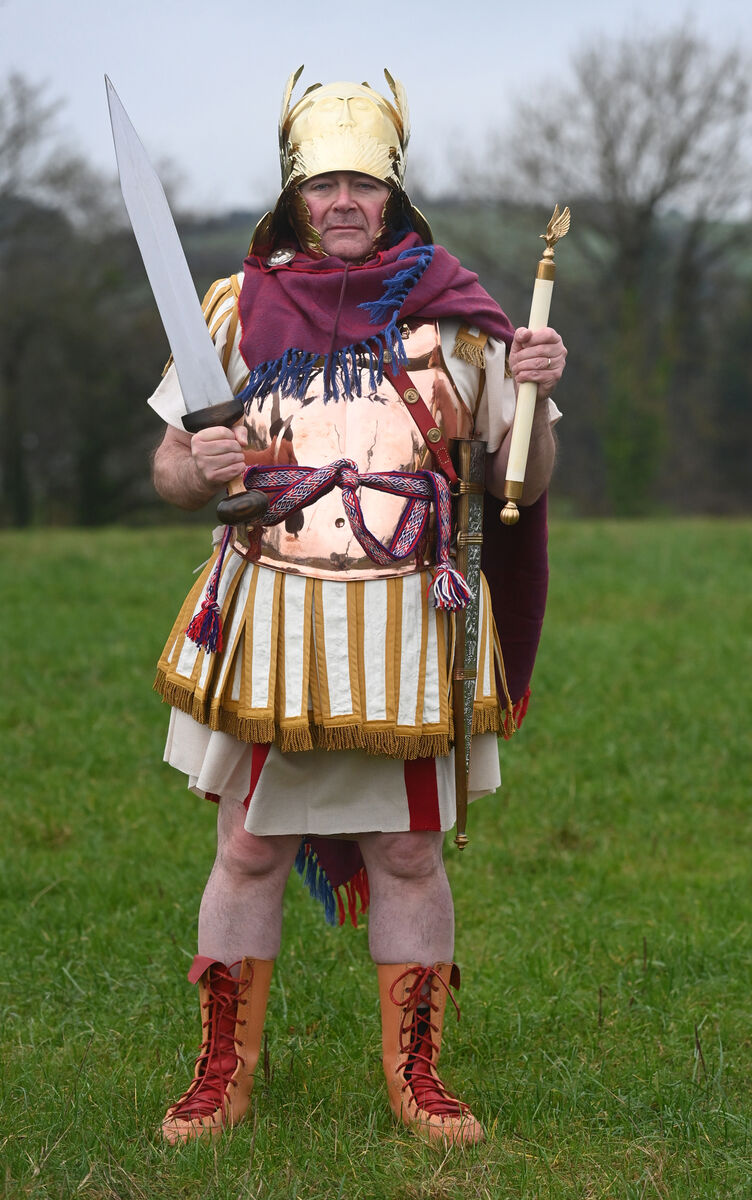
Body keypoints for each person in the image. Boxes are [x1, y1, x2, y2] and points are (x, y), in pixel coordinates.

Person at [148, 69, 565, 1147]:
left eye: (362, 184)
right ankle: (219, 1072)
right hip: (272, 615)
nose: (342, 201)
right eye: (323, 182)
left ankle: (416, 1077)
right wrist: (200, 463)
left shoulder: (464, 324)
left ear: (393, 194)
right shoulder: (235, 308)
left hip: (409, 624)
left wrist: (534, 394)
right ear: (294, 194)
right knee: (245, 848)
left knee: (410, 853)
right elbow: (169, 476)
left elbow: (518, 480)